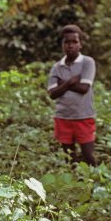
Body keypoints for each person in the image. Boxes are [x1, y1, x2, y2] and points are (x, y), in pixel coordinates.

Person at [47, 24, 97, 166]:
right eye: (67, 42)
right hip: (63, 117)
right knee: (69, 158)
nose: (70, 45)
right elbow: (52, 94)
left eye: (74, 42)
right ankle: (73, 187)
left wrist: (62, 84)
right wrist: (70, 82)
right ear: (62, 44)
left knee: (89, 156)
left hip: (84, 116)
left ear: (80, 44)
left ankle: (96, 185)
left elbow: (84, 88)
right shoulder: (57, 67)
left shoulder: (88, 62)